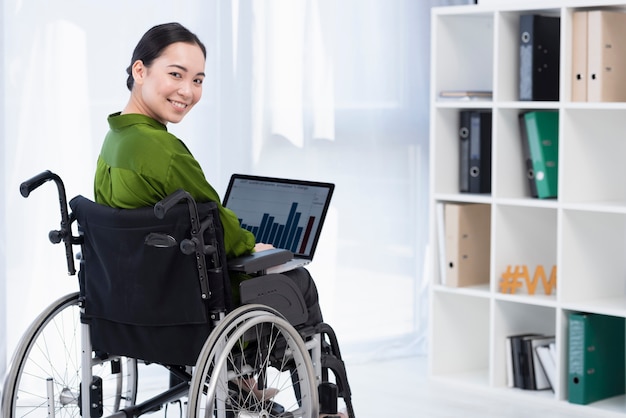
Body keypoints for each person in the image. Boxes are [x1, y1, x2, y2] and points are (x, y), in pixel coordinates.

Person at [93, 22, 346, 417]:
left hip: (132, 302)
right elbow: (213, 222)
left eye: (197, 80)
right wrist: (252, 246)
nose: (188, 91)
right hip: (185, 311)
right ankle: (316, 404)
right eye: (175, 75)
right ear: (139, 71)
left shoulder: (115, 141)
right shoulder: (161, 149)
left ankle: (242, 382)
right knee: (297, 280)